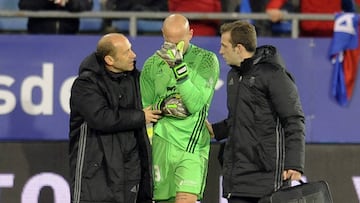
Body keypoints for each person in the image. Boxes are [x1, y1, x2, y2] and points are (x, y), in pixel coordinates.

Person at [208, 20, 306, 203]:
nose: (220, 51)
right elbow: (240, 119)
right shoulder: (233, 76)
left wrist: (294, 164)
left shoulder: (274, 74)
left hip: (268, 179)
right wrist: (215, 130)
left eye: (224, 46)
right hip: (237, 179)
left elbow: (294, 119)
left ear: (238, 48)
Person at [68, 33, 161, 203]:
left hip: (130, 170)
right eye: (126, 52)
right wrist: (141, 116)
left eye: (131, 49)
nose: (134, 55)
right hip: (96, 173)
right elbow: (100, 118)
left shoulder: (137, 80)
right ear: (109, 60)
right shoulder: (85, 84)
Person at [140, 14, 220, 203]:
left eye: (179, 42)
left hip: (191, 145)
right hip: (161, 144)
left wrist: (178, 67)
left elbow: (194, 104)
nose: (174, 48)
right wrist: (163, 106)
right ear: (162, 35)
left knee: (185, 199)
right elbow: (145, 110)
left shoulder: (207, 61)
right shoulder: (151, 65)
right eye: (169, 41)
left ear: (190, 34)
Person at [18, 0, 92, 34]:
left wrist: (69, 2)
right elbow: (24, 5)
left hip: (69, 38)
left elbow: (86, 5)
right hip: (38, 39)